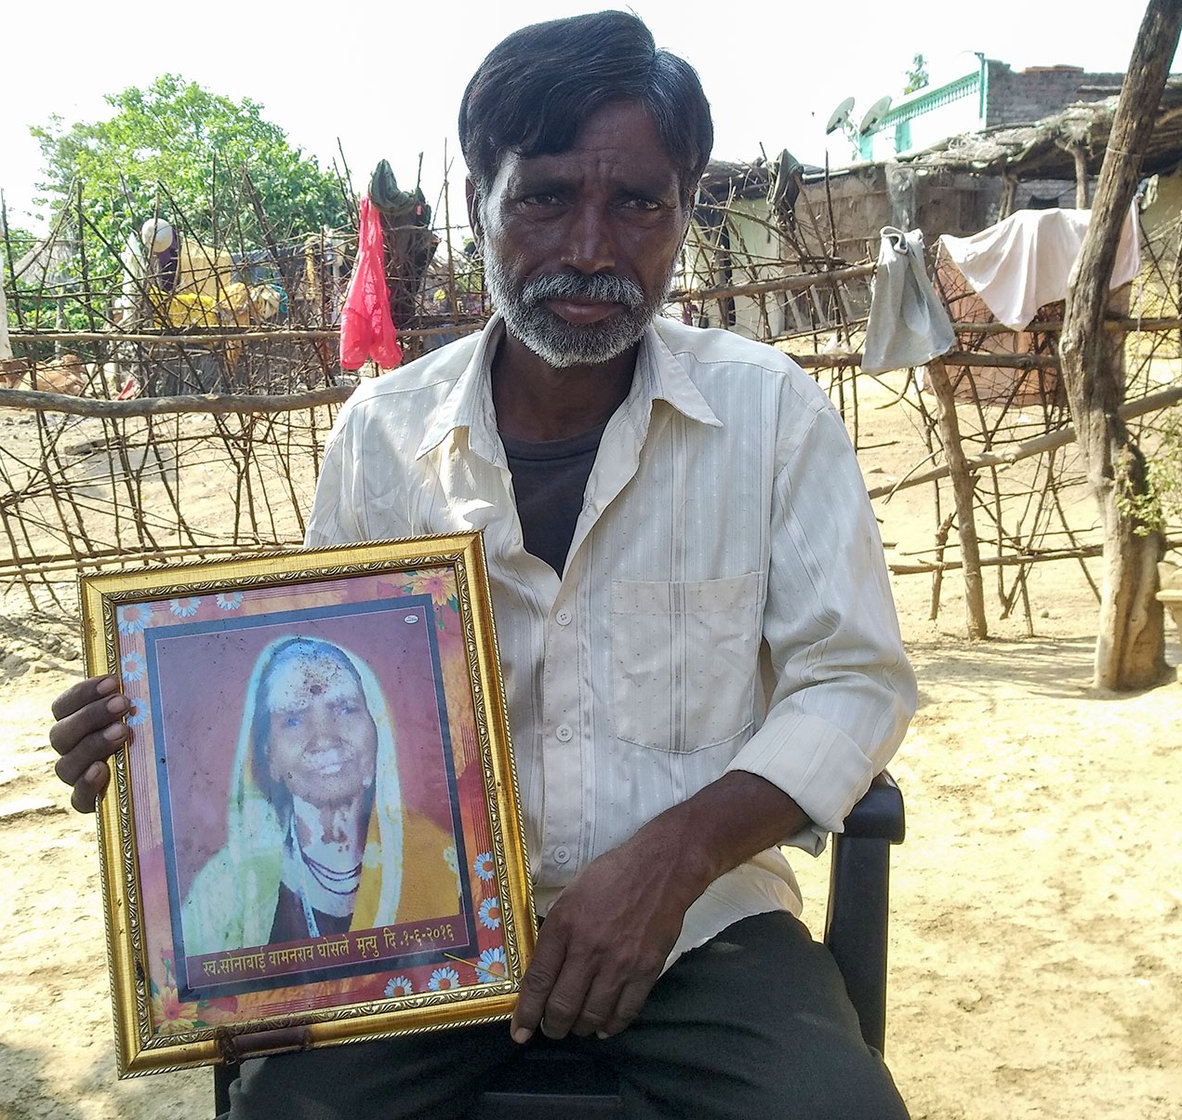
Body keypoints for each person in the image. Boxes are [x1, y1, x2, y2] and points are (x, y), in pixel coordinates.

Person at [50, 12, 916, 1117]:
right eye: (547, 197)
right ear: (479, 203)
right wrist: (147, 748)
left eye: (638, 203)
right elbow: (316, 667)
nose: (593, 249)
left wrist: (672, 859)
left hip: (703, 927)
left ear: (685, 213)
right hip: (411, 925)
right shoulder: (384, 435)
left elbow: (853, 678)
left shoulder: (772, 416)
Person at [178, 636, 459, 959]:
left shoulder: (438, 860)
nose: (324, 738)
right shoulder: (225, 889)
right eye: (293, 719)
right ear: (269, 757)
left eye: (345, 708)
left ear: (377, 730)